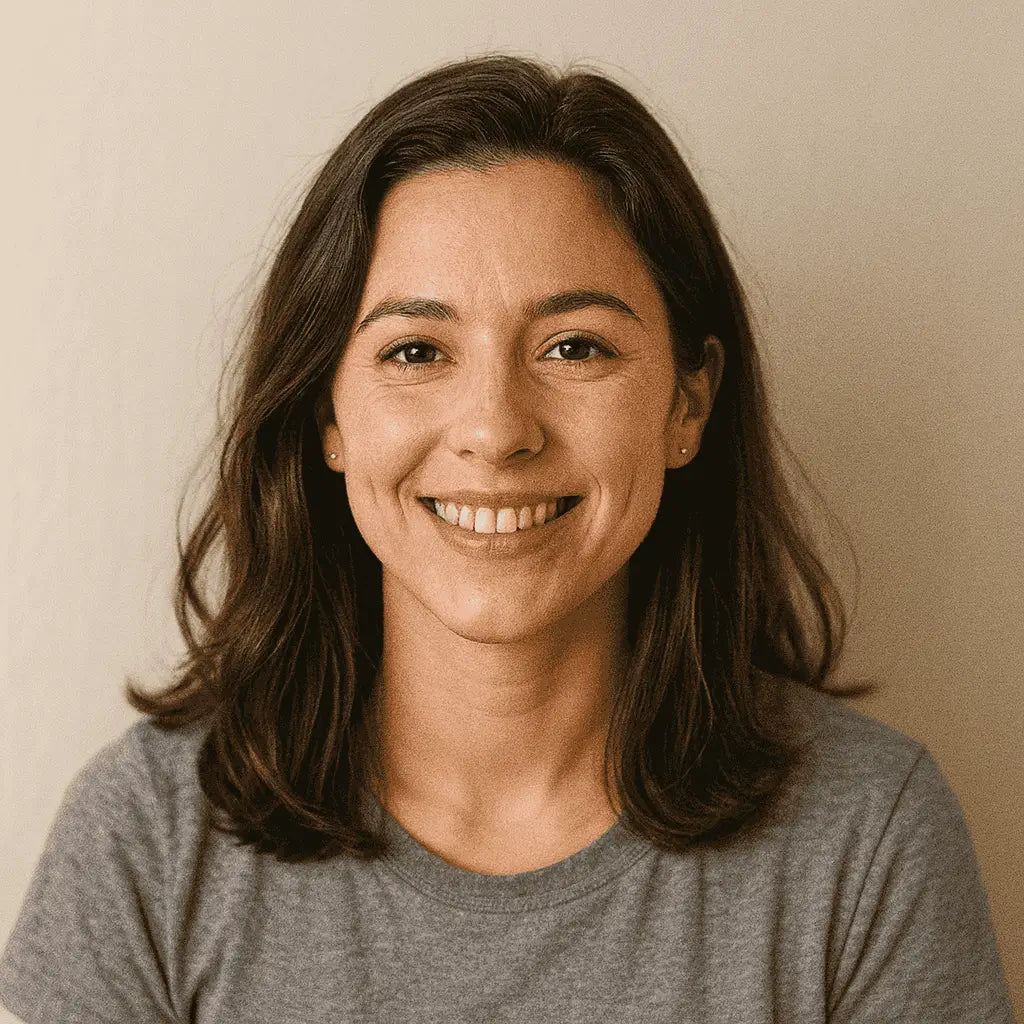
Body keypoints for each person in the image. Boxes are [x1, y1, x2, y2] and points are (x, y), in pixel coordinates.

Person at [0, 54, 1014, 1023]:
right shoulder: (150, 835)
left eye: (574, 346)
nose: (494, 428)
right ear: (328, 414)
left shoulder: (868, 837)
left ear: (688, 402)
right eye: (415, 349)